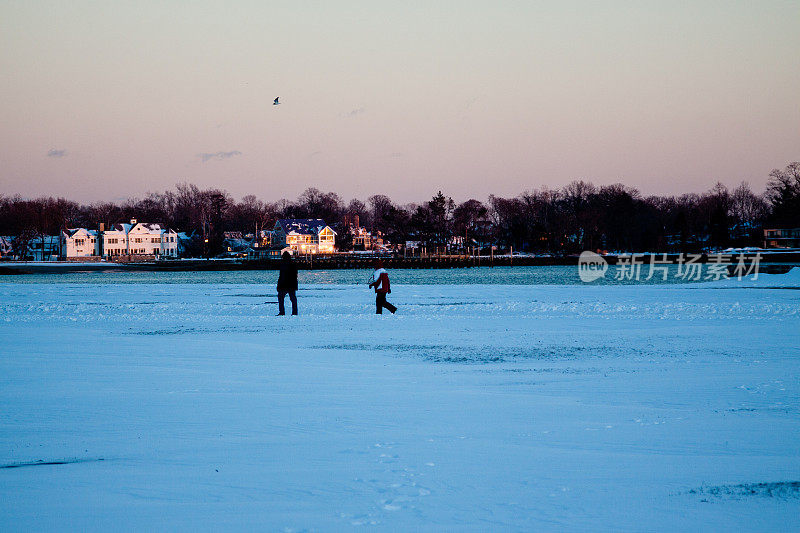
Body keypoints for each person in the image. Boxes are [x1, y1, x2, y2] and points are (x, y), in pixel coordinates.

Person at [276, 251, 298, 315]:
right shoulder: (293, 264)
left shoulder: (283, 265)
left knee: (281, 298)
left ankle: (282, 312)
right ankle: (294, 312)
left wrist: (279, 285)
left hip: (284, 285)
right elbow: (295, 275)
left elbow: (281, 276)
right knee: (293, 299)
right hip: (292, 284)